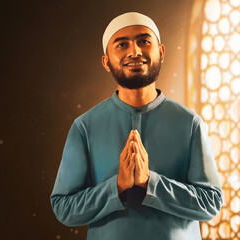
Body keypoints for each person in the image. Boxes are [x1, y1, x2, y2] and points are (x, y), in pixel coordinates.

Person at [50, 12, 223, 240]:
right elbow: (64, 208)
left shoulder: (190, 124)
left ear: (160, 52)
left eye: (144, 41)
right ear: (106, 61)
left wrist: (151, 183)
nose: (134, 52)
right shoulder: (84, 127)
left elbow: (210, 203)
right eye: (122, 44)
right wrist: (117, 186)